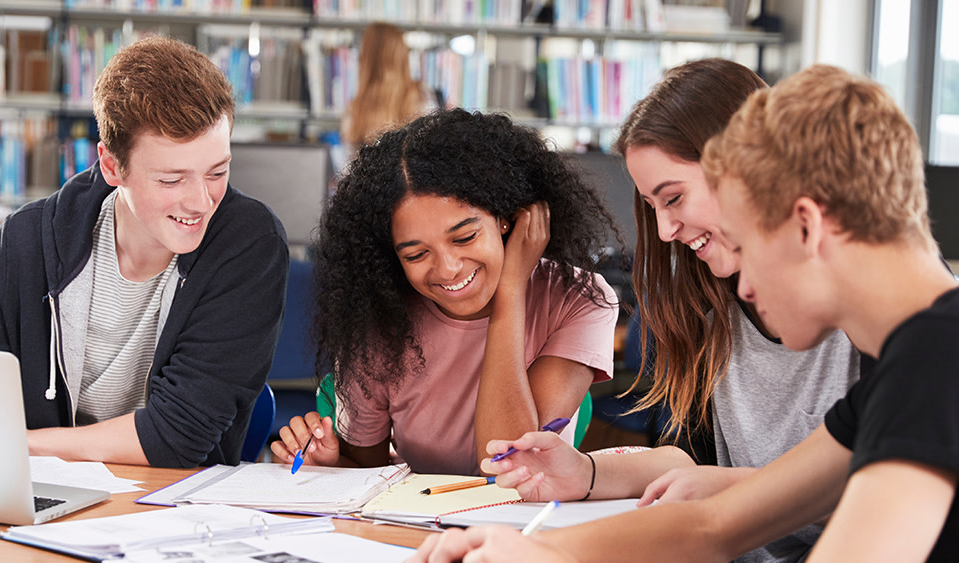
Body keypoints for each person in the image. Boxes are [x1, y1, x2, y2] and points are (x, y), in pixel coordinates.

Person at [407, 64, 958, 563]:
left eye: (743, 245)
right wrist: (543, 550)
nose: (739, 278)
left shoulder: (935, 363)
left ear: (806, 227)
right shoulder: (901, 375)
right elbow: (714, 522)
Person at [0, 36, 290, 468]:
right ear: (112, 166)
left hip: (173, 504)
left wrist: (25, 445)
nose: (200, 202)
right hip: (38, 495)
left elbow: (177, 436)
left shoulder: (250, 244)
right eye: (171, 180)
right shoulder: (23, 242)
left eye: (217, 172)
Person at [271, 108, 624, 475]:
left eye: (465, 237)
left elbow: (511, 463)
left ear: (507, 217)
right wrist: (327, 464)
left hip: (526, 522)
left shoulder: (579, 299)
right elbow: (366, 476)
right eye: (416, 254)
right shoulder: (380, 318)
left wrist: (510, 292)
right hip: (415, 523)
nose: (448, 268)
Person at [340, 22, 437, 150]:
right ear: (402, 55)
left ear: (367, 58)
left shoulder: (355, 109)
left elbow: (348, 161)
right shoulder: (422, 98)